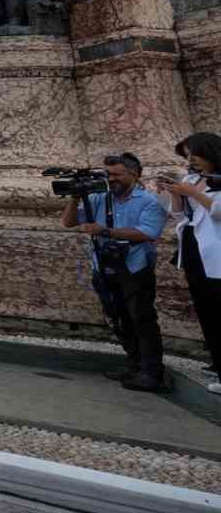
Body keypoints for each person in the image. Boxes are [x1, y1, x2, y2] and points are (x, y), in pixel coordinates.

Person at [61, 152, 169, 392]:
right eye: (107, 174)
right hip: (103, 266)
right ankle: (134, 365)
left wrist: (106, 231)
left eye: (116, 175)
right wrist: (75, 198)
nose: (111, 179)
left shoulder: (150, 201)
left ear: (134, 175)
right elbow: (68, 222)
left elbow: (148, 232)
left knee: (142, 319)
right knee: (118, 319)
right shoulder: (98, 197)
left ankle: (152, 372)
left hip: (135, 268)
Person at [158, 133, 221, 395]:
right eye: (187, 155)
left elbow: (218, 211)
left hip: (217, 250)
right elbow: (179, 213)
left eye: (194, 154)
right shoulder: (192, 179)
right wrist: (174, 192)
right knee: (206, 307)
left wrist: (193, 193)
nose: (191, 160)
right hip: (194, 247)